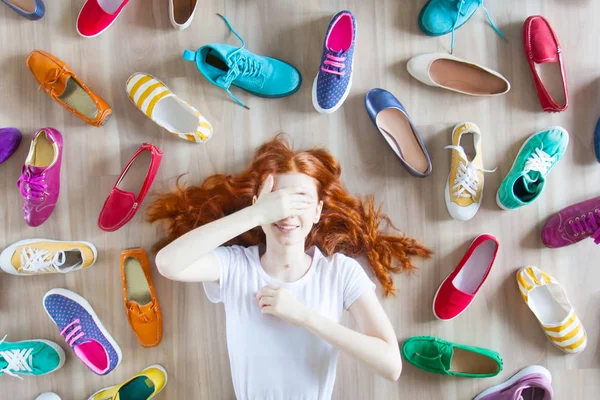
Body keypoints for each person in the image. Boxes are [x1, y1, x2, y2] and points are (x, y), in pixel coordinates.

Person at [148, 136, 431, 400]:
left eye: (300, 201)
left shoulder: (339, 273)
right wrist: (258, 214)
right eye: (277, 201)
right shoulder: (235, 265)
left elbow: (391, 365)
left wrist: (304, 316)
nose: (287, 213)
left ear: (318, 211)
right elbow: (168, 263)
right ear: (258, 206)